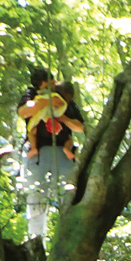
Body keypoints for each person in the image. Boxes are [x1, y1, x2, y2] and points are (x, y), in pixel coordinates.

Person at [17, 67, 85, 242]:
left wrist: (64, 119)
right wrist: (44, 102)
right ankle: (35, 241)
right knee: (36, 197)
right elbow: (24, 112)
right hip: (38, 152)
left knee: (68, 195)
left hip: (62, 152)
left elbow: (79, 126)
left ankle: (68, 240)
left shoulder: (63, 96)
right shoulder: (31, 95)